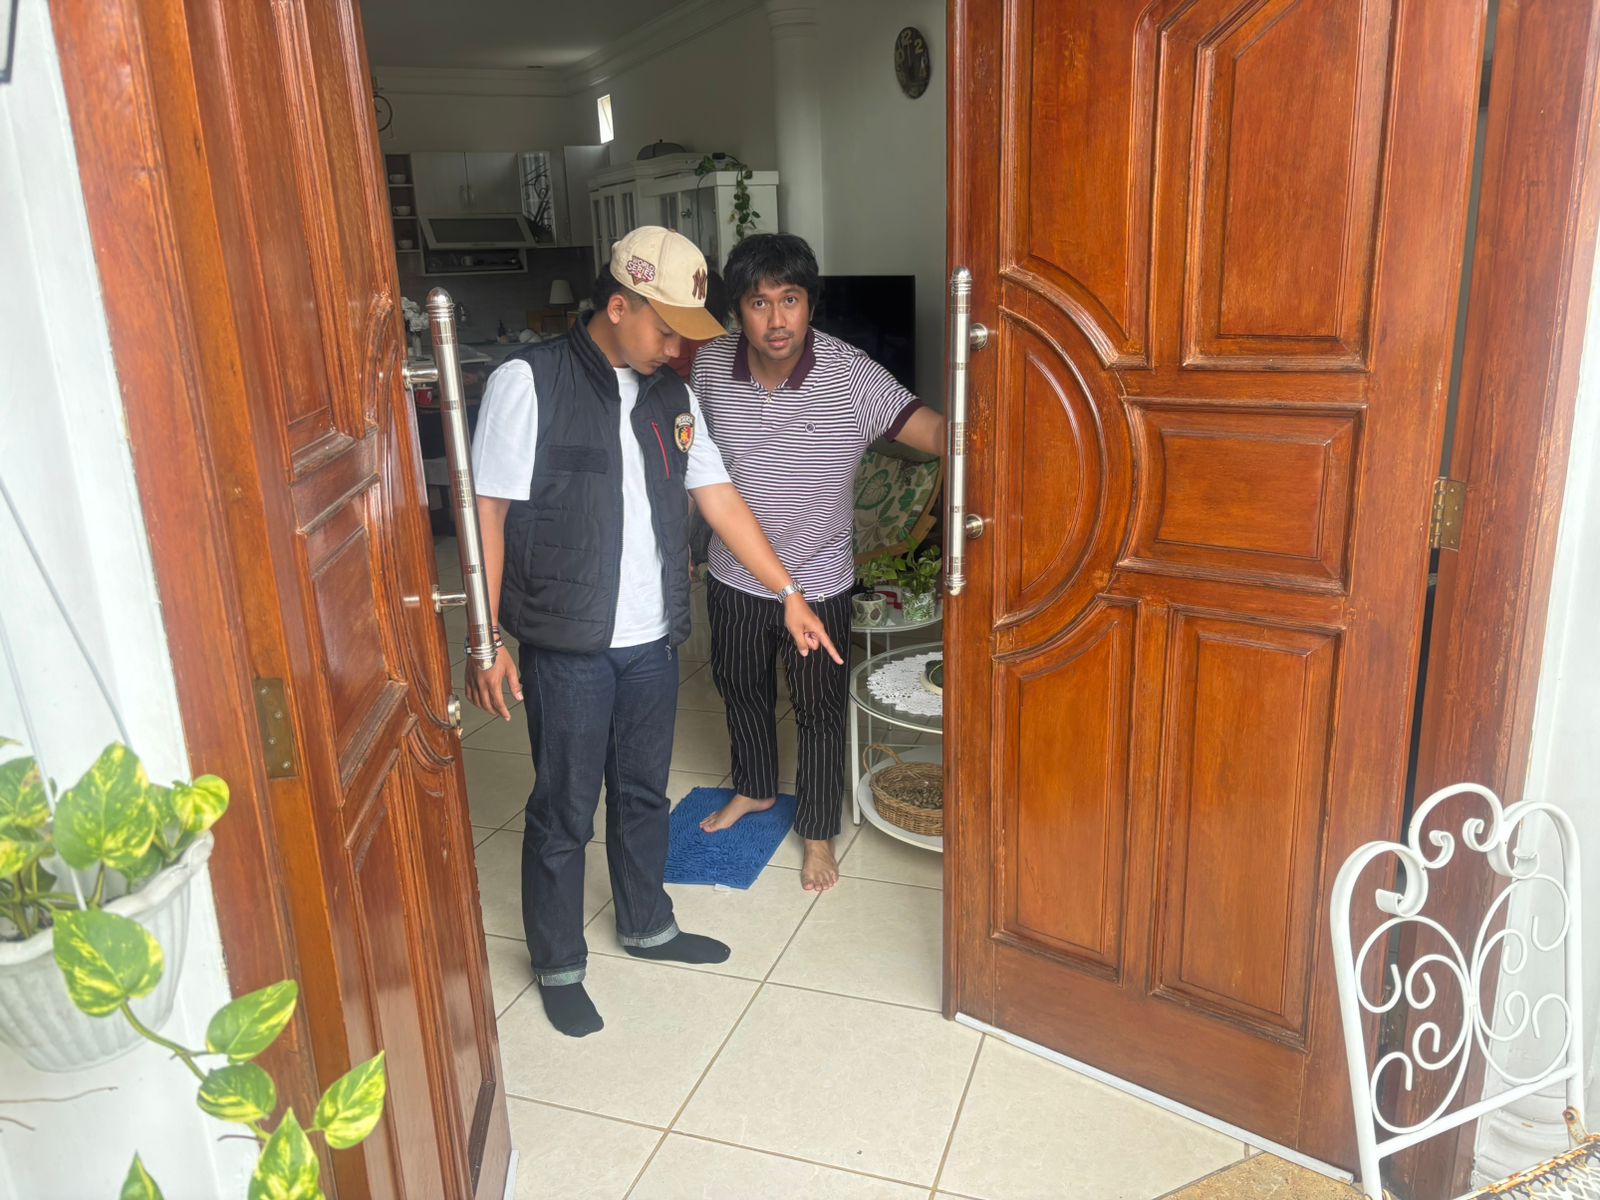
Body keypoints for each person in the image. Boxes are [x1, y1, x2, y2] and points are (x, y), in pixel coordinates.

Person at [466, 226, 842, 1038]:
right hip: (567, 643)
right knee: (564, 809)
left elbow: (719, 499)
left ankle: (646, 923)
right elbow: (486, 515)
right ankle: (559, 962)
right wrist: (485, 636)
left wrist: (788, 592)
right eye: (666, 330)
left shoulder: (673, 398)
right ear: (618, 306)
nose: (677, 350)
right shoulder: (529, 382)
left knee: (642, 793)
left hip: (652, 640)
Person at [690, 234, 945, 892]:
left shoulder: (852, 375)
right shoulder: (710, 366)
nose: (777, 320)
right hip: (734, 575)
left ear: (810, 303)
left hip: (820, 580)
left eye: (791, 299)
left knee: (819, 711)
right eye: (759, 303)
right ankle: (755, 788)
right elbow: (698, 467)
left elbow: (938, 435)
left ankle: (818, 833)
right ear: (738, 310)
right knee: (740, 688)